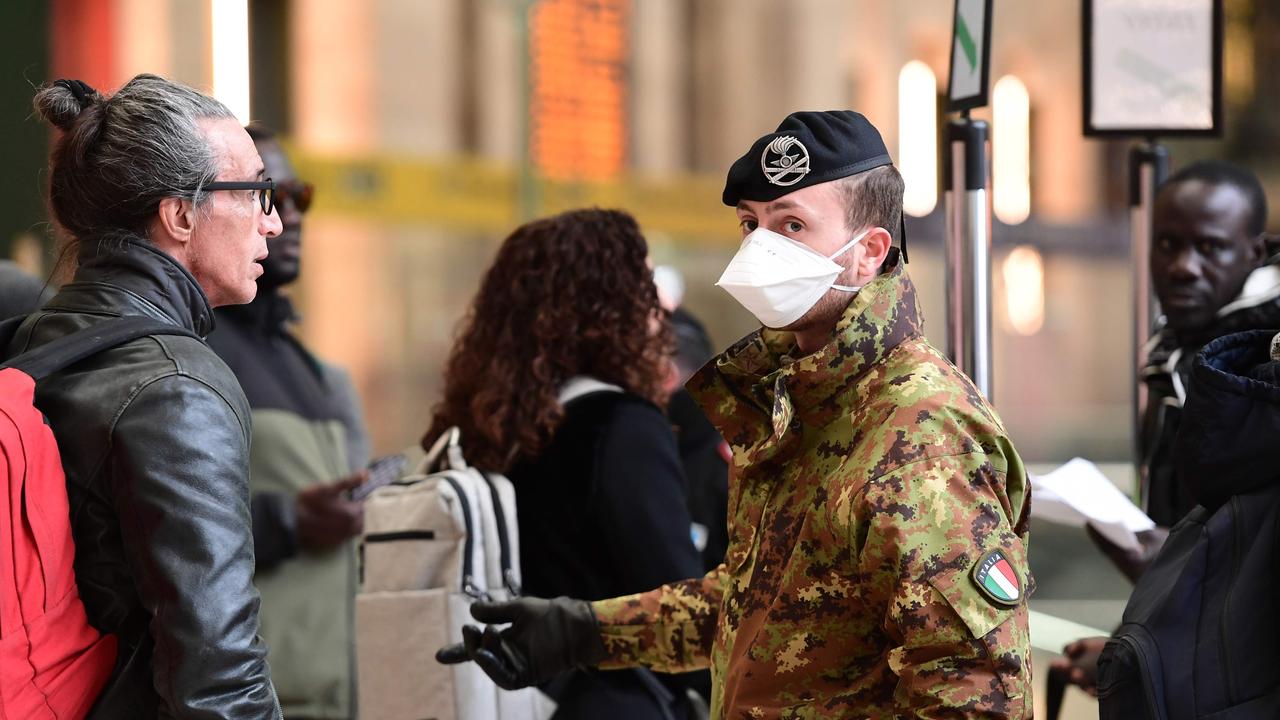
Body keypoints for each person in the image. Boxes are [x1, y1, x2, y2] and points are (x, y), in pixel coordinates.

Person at [439, 111, 1034, 718]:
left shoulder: (921, 427)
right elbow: (762, 604)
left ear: (869, 253)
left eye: (792, 225)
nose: (760, 248)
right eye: (752, 224)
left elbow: (972, 691)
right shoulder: (801, 404)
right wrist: (584, 632)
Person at [10, 75, 282, 718]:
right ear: (180, 214)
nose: (271, 221)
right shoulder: (176, 390)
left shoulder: (24, 345)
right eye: (257, 191)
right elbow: (219, 679)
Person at [425, 208, 705, 718]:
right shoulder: (620, 425)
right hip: (610, 700)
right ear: (610, 303)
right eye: (643, 283)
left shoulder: (481, 427)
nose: (658, 307)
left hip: (495, 695)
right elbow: (679, 596)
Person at [1051, 160, 1280, 697]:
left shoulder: (1259, 375)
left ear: (1255, 253)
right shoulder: (1172, 358)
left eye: (1210, 248)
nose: (1182, 267)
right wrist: (1123, 647)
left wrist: (1173, 563)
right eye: (1167, 244)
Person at [206, 124, 369, 720]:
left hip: (333, 696)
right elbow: (147, 525)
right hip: (253, 701)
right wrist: (289, 519)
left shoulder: (308, 367)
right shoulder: (193, 353)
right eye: (267, 194)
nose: (288, 217)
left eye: (300, 197)